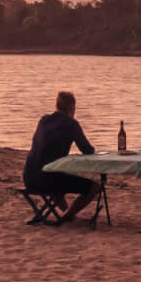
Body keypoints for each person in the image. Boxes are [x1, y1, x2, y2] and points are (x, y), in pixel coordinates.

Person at [24, 90, 99, 224]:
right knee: (94, 187)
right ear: (71, 108)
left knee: (57, 175)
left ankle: (65, 212)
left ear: (57, 106)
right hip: (47, 180)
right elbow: (87, 150)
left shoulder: (43, 120)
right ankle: (68, 215)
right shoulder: (71, 124)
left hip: (29, 178)